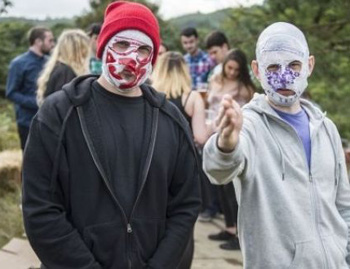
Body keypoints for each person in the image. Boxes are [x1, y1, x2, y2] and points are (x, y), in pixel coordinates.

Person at [22, 2, 201, 269]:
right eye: (121, 45)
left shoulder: (171, 121)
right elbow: (41, 209)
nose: (132, 58)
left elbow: (185, 206)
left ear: (153, 58)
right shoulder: (59, 115)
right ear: (103, 46)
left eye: (143, 49)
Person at [203, 22, 350, 268]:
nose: (284, 76)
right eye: (272, 67)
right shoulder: (249, 125)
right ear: (257, 71)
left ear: (309, 66)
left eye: (294, 65)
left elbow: (344, 205)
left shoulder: (327, 129)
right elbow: (217, 170)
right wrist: (226, 143)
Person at [151, 50, 207, 268]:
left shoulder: (148, 94)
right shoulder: (191, 97)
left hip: (153, 169)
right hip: (184, 171)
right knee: (182, 225)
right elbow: (200, 137)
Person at [206, 48, 255, 250]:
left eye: (237, 69)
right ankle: (228, 227)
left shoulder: (245, 87)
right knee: (219, 185)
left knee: (232, 190)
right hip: (214, 134)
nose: (233, 72)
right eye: (230, 68)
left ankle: (239, 234)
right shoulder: (216, 79)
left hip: (236, 138)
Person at [6, 26, 55, 150]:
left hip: (49, 120)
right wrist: (37, 103)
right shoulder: (18, 64)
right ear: (38, 42)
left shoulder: (50, 62)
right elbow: (11, 93)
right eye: (50, 40)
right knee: (30, 162)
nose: (53, 44)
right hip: (27, 122)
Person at [152, 51, 208, 145]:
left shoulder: (150, 95)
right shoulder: (192, 98)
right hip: (183, 155)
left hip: (155, 155)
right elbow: (201, 138)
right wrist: (213, 126)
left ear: (159, 70)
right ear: (184, 70)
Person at [37, 29, 90, 105]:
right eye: (84, 48)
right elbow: (64, 106)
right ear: (76, 51)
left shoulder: (58, 67)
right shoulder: (65, 72)